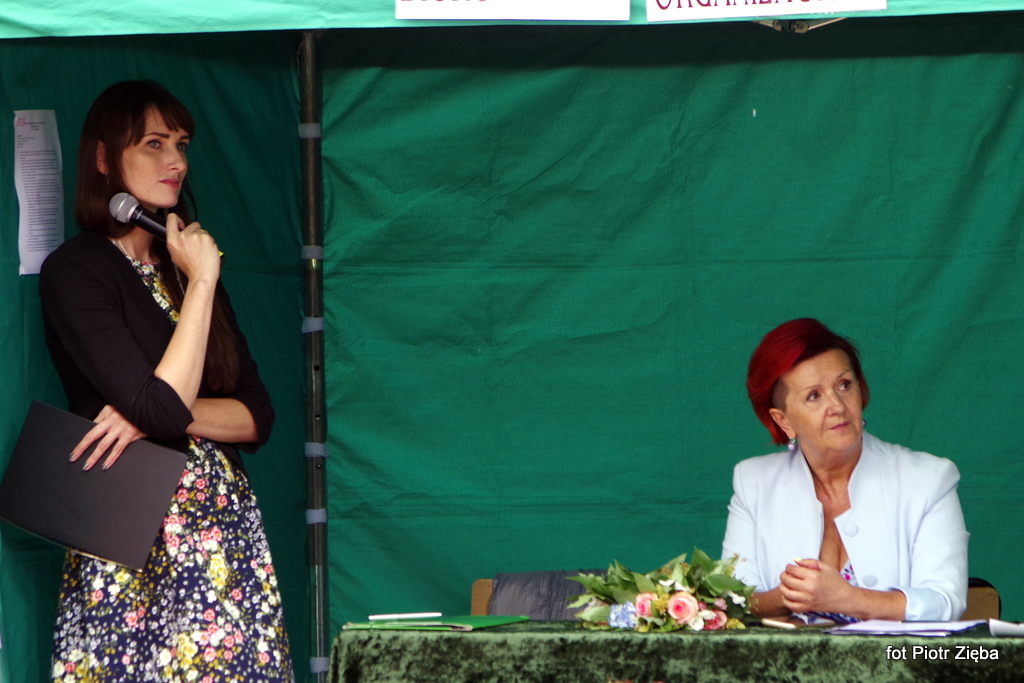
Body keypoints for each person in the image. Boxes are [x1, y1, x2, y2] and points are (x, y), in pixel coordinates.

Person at [38, 81, 294, 682]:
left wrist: (152, 410)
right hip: (132, 526)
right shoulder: (78, 269)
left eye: (181, 145)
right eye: (154, 144)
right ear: (105, 158)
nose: (175, 160)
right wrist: (202, 284)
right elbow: (161, 409)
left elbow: (257, 414)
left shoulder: (187, 270)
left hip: (219, 527)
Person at [721, 318, 969, 623]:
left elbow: (945, 602)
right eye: (814, 395)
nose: (837, 405)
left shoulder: (929, 478)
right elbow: (734, 600)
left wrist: (847, 599)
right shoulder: (754, 482)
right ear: (784, 421)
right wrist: (792, 595)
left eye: (844, 385)